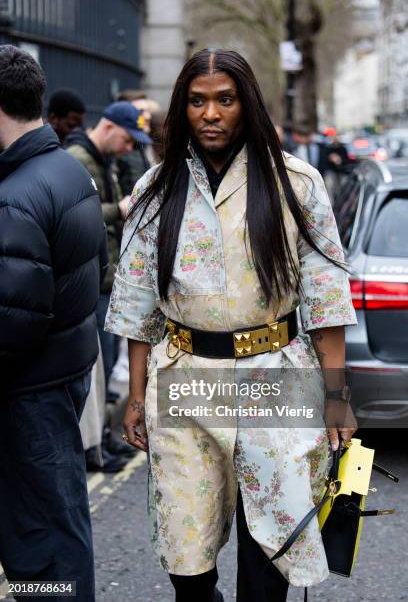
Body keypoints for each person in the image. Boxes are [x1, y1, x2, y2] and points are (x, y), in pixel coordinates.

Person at [105, 49, 358, 601]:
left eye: (225, 100)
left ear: (247, 105)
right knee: (187, 562)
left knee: (268, 558)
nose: (211, 114)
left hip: (277, 375)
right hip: (186, 379)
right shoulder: (156, 189)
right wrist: (135, 394)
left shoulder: (297, 183)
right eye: (198, 102)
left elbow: (326, 299)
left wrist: (337, 396)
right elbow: (136, 304)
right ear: (182, 109)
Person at [0, 45, 107, 601]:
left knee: (40, 547)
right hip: (63, 379)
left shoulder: (16, 195)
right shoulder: (67, 171)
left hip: (27, 397)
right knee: (60, 529)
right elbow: (98, 272)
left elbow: (11, 323)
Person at [65, 101, 150, 470]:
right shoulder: (78, 160)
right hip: (94, 281)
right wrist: (121, 208)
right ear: (111, 126)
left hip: (107, 277)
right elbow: (76, 209)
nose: (129, 149)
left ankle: (102, 441)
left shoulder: (100, 160)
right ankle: (93, 448)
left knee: (108, 363)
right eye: (128, 140)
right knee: (95, 369)